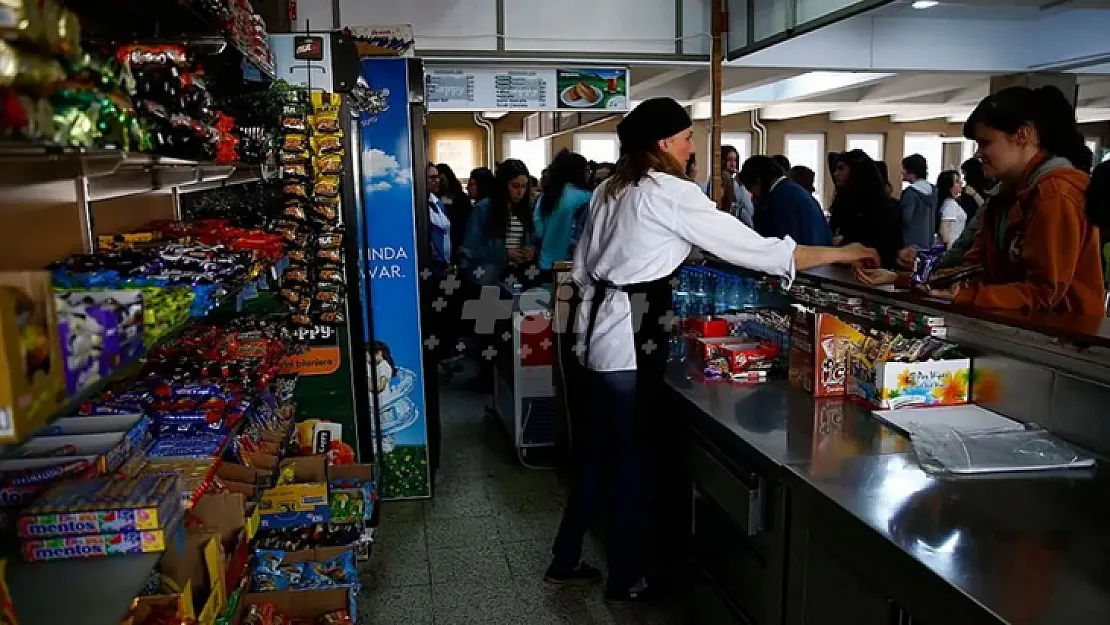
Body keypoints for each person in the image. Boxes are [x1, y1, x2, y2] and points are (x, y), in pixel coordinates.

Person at [547, 97, 879, 603]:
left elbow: (585, 267)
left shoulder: (612, 190)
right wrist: (841, 251)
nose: (689, 146)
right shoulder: (672, 193)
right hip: (630, 343)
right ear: (663, 144)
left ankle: (566, 558)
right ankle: (627, 578)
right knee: (633, 459)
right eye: (684, 138)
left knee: (598, 454)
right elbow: (758, 250)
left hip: (598, 334)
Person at [858, 85, 1105, 314]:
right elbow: (972, 269)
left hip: (1059, 344)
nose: (978, 154)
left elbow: (1043, 293)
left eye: (985, 143)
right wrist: (900, 278)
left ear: (1022, 135)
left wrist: (966, 296)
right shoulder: (1003, 198)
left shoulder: (1056, 194)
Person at [462, 158, 536, 287]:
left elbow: (531, 239)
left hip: (518, 274)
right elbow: (470, 246)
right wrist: (505, 253)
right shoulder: (484, 208)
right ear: (503, 185)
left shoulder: (526, 210)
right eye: (515, 186)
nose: (520, 192)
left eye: (524, 187)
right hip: (488, 275)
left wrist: (530, 251)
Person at [827, 149, 904, 268]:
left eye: (841, 168)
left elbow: (887, 246)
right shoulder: (842, 202)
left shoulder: (882, 206)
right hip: (842, 268)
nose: (835, 174)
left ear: (857, 171)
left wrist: (844, 240)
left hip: (874, 270)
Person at [740, 155, 832, 246]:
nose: (752, 195)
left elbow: (777, 246)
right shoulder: (795, 192)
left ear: (758, 180)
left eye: (750, 188)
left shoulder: (779, 200)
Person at [535, 149, 592, 271]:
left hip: (546, 263)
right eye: (587, 170)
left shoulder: (546, 197)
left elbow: (538, 231)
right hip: (572, 264)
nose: (590, 173)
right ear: (578, 172)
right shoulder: (587, 197)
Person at [701, 145, 754, 226]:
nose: (733, 164)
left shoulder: (739, 185)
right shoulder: (708, 185)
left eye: (735, 160)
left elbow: (749, 211)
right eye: (729, 160)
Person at [900, 153, 938, 249]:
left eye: (904, 168)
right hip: (929, 243)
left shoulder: (910, 193)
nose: (902, 172)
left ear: (912, 172)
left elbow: (906, 219)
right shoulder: (933, 191)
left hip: (911, 245)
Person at [436, 163, 472, 262]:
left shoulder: (461, 198)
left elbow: (467, 222)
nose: (440, 183)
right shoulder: (433, 199)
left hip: (460, 242)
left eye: (442, 180)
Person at [936, 170, 967, 248]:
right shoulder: (950, 204)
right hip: (952, 246)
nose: (961, 183)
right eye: (956, 181)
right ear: (949, 186)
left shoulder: (950, 202)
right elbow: (944, 230)